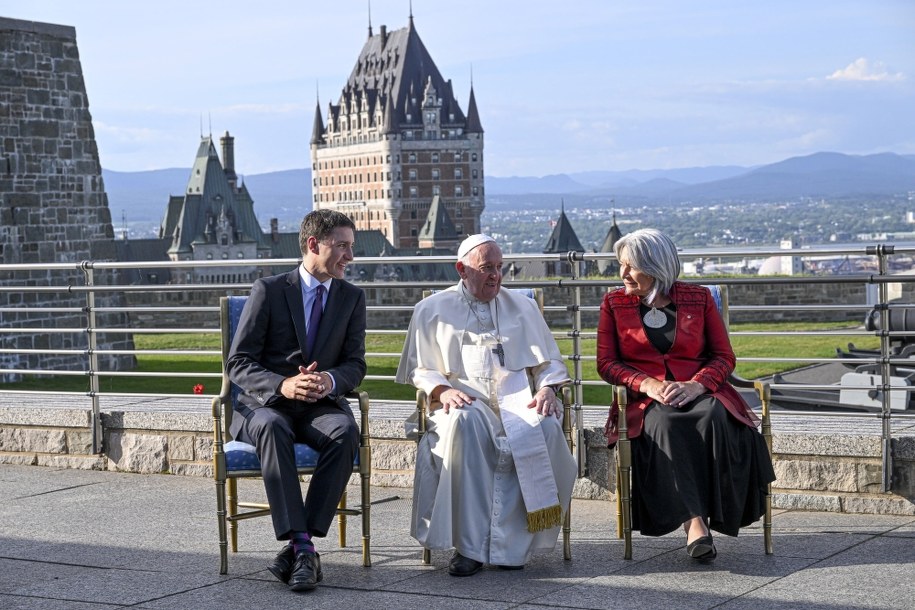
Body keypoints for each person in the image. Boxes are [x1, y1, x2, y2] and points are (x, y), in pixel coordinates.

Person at [396, 234, 577, 576]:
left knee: (548, 426)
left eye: (499, 268)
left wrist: (549, 389)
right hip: (463, 404)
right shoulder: (432, 309)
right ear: (461, 269)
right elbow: (421, 367)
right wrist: (441, 389)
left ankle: (514, 547)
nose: (495, 276)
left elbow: (548, 363)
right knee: (465, 425)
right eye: (486, 268)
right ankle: (468, 549)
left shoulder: (522, 307)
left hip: (518, 402)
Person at [596, 228, 775, 561]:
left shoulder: (699, 298)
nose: (622, 275)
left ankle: (705, 520)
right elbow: (606, 364)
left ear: (656, 266)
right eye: (621, 265)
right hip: (646, 400)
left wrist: (697, 384)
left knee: (713, 417)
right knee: (664, 424)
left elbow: (724, 357)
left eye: (631, 267)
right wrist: (646, 384)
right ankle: (695, 524)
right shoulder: (613, 303)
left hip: (701, 390)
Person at [226, 209, 366, 592]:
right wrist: (283, 385)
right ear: (312, 245)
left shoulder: (352, 298)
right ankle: (304, 548)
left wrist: (331, 379)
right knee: (272, 428)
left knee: (344, 432)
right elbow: (237, 363)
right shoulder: (269, 290)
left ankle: (299, 545)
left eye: (351, 247)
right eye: (342, 247)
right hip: (265, 405)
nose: (349, 257)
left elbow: (356, 363)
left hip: (320, 406)